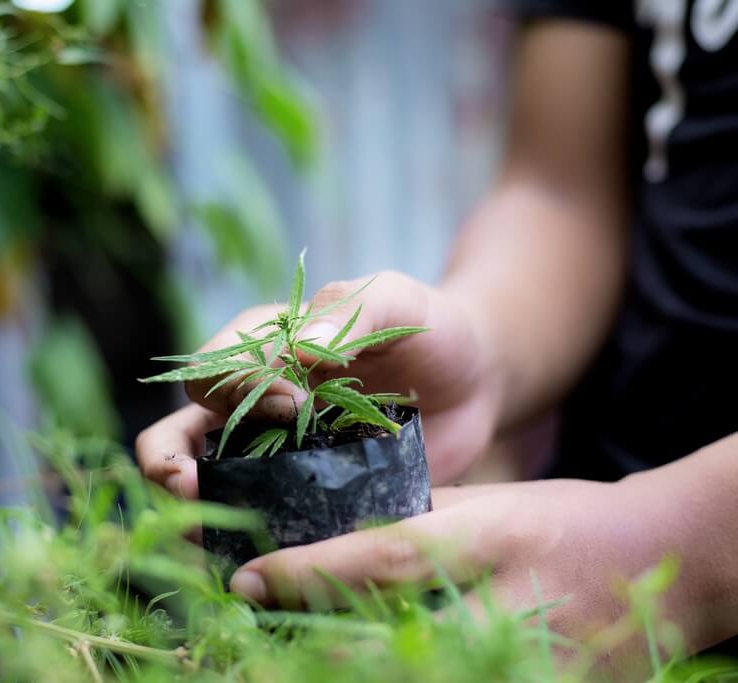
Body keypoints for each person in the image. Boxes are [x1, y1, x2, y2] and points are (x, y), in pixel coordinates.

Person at [137, 0, 738, 671]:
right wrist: (481, 345)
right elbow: (561, 189)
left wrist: (675, 546)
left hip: (620, 574)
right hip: (575, 553)